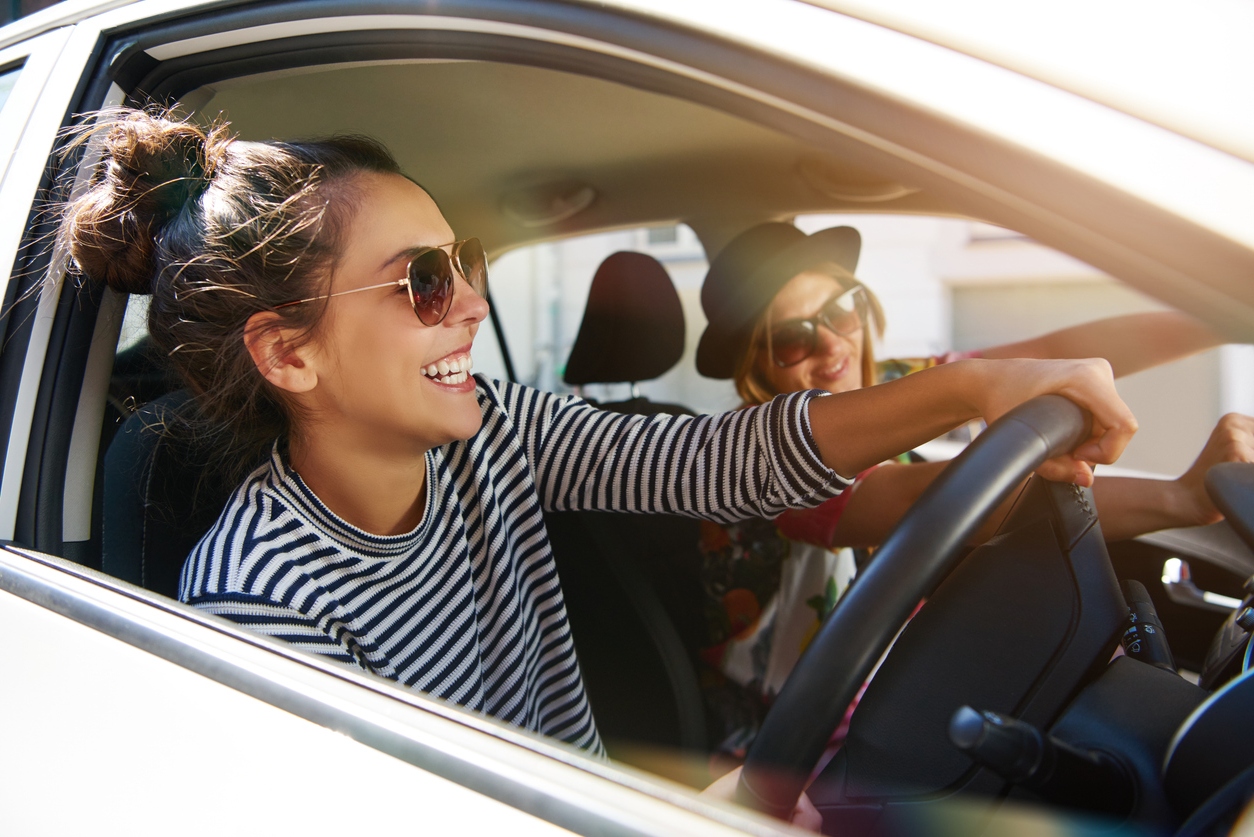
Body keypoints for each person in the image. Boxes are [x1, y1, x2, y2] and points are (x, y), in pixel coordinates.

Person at [59, 110, 1135, 826]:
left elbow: (720, 463)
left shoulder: (497, 432)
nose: (473, 304)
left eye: (467, 263)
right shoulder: (259, 602)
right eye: (421, 282)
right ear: (290, 353)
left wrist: (977, 389)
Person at [691, 221, 1253, 760]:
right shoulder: (758, 457)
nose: (832, 345)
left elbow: (1047, 355)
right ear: (756, 366)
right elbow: (928, 503)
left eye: (840, 309)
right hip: (790, 743)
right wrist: (1180, 497)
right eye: (793, 338)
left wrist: (1217, 317)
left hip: (892, 688)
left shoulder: (890, 382)